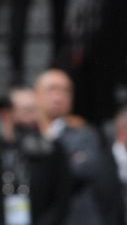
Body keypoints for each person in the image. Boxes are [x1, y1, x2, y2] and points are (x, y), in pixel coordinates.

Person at [35, 69, 122, 225]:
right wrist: (68, 161)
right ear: (36, 94)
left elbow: (85, 170)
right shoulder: (26, 133)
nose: (59, 96)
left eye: (66, 91)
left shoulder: (85, 134)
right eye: (52, 89)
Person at [0, 92, 72, 225]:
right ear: (6, 114)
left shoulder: (53, 150)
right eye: (27, 110)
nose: (34, 118)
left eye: (36, 110)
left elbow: (61, 200)